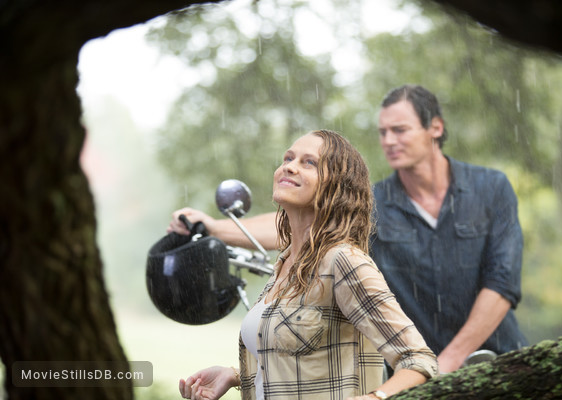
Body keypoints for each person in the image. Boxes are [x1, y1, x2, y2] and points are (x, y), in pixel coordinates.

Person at [169, 85, 528, 373]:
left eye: (400, 130)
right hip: (415, 384)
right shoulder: (378, 203)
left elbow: (501, 283)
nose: (388, 140)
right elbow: (305, 227)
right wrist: (214, 227)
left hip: (496, 362)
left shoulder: (490, 188)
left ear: (435, 127)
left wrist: (451, 360)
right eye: (383, 132)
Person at [177, 129, 438, 400]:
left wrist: (376, 398)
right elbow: (297, 363)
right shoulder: (284, 264)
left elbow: (418, 360)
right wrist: (234, 375)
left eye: (308, 162)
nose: (289, 167)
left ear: (336, 186)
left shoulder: (344, 262)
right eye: (288, 158)